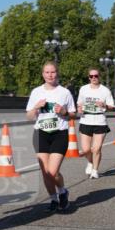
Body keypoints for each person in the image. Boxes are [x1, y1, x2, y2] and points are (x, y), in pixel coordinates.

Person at [25, 62, 76, 212]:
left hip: (59, 133)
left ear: (57, 73)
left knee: (52, 172)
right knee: (45, 172)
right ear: (43, 74)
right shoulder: (36, 92)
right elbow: (29, 116)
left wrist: (64, 112)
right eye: (47, 72)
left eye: (53, 72)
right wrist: (36, 107)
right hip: (40, 134)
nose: (50, 75)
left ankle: (62, 191)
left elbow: (74, 114)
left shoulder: (64, 92)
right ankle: (54, 199)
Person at [76, 67, 115, 179]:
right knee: (86, 149)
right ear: (88, 78)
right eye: (91, 76)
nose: (94, 78)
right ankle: (90, 162)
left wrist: (105, 106)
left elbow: (112, 107)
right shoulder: (83, 89)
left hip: (100, 121)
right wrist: (79, 108)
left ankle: (95, 170)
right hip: (86, 120)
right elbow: (79, 103)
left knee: (97, 149)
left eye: (96, 76)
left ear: (99, 77)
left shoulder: (105, 90)